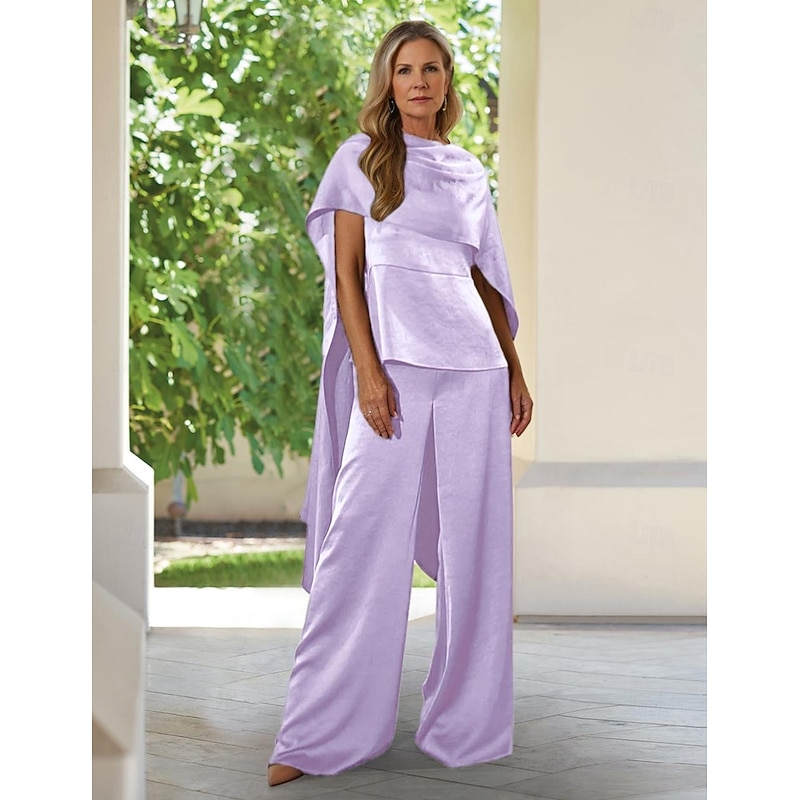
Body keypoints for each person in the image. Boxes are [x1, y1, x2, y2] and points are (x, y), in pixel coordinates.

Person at [267, 19, 533, 788]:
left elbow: (484, 280)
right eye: (406, 69)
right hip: (396, 368)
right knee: (360, 541)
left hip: (475, 368)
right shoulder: (359, 161)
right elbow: (348, 276)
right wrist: (370, 372)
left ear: (447, 84)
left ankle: (468, 727)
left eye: (432, 69)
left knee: (477, 550)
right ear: (388, 82)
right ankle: (317, 734)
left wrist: (515, 370)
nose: (419, 81)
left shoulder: (467, 172)